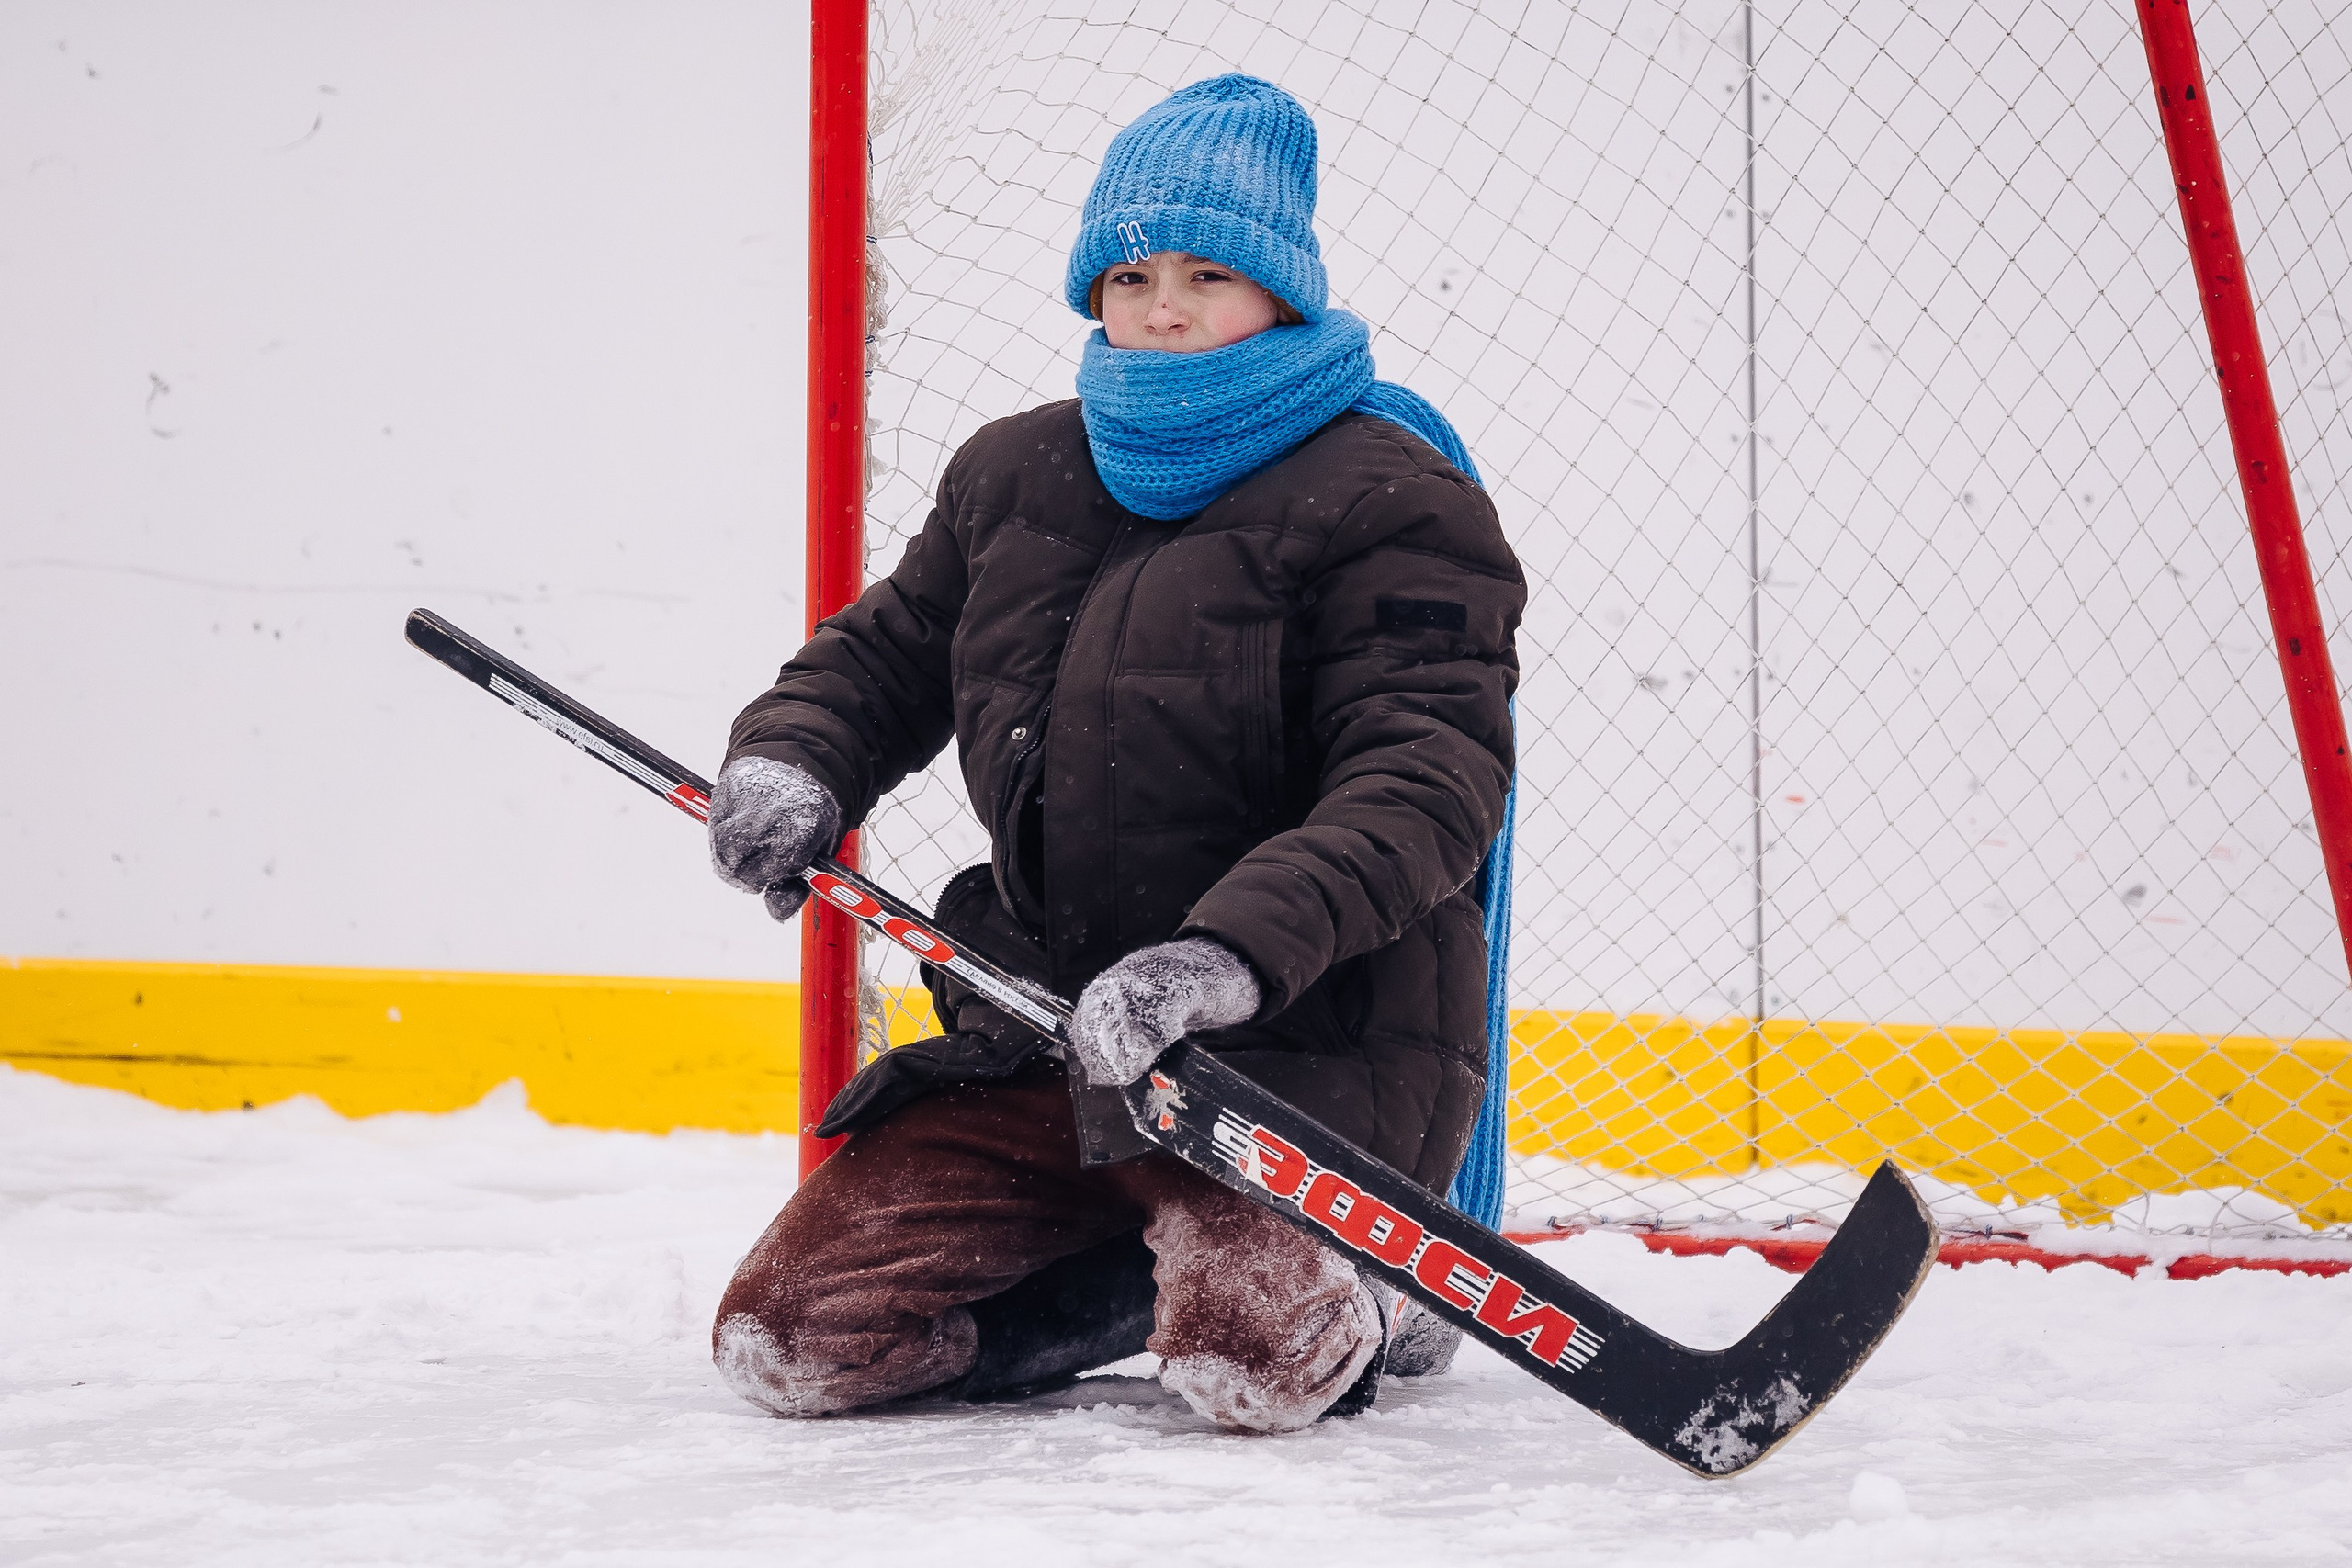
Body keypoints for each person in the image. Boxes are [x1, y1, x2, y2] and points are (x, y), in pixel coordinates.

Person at [705, 73, 1523, 1433]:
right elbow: (888, 656)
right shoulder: (1011, 475)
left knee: (1254, 1373)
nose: (1166, 307)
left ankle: (1383, 1285)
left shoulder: (1394, 500)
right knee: (793, 1344)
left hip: (1289, 1064)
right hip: (1040, 1042)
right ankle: (1110, 1281)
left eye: (1211, 273)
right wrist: (796, 761)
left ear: (1286, 295)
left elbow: (1426, 782)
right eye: (1131, 273)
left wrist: (1226, 960)